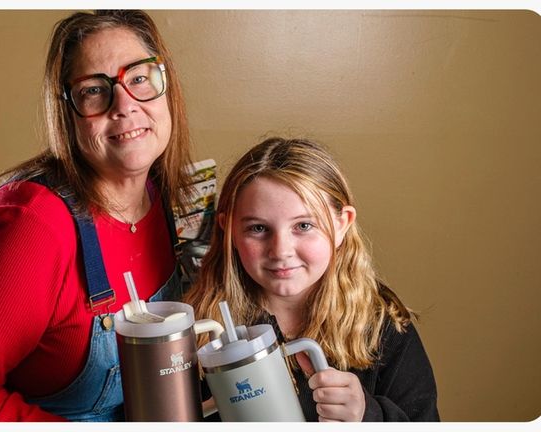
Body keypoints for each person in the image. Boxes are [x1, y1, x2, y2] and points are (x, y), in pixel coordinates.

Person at [0, 10, 195, 421]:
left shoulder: (159, 193)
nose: (124, 105)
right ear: (67, 112)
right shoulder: (30, 223)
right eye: (94, 90)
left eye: (138, 77)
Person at [184, 137, 440, 422]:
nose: (280, 251)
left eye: (304, 226)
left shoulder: (381, 325)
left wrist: (369, 415)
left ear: (341, 224)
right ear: (228, 229)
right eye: (258, 228)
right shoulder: (197, 334)